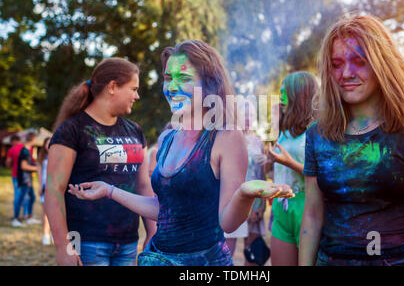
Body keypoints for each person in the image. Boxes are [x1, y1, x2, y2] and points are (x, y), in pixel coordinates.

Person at [68, 40, 294, 266]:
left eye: (184, 78)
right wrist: (109, 190)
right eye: (168, 78)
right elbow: (164, 210)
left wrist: (245, 193)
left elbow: (228, 223)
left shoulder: (226, 137)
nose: (172, 87)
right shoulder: (168, 138)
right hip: (157, 259)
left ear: (210, 85)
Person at [299, 14, 404, 266]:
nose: (346, 73)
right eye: (336, 64)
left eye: (359, 61)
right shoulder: (317, 134)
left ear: (382, 64)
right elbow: (313, 216)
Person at [45, 57, 157, 266]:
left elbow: (143, 185)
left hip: (128, 242)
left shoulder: (135, 131)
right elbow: (54, 189)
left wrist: (152, 232)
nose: (137, 95)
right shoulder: (72, 130)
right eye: (133, 89)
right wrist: (63, 246)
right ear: (113, 87)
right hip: (87, 243)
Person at [266, 72, 318, 266]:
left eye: (284, 91)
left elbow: (324, 175)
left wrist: (289, 163)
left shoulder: (317, 130)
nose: (280, 95)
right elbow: (280, 163)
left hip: (306, 208)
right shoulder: (285, 130)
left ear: (299, 94)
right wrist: (269, 161)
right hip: (281, 208)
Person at [224, 102, 268, 266]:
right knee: (227, 255)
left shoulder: (258, 142)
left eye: (251, 115)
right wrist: (243, 209)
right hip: (233, 203)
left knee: (254, 256)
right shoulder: (228, 139)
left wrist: (261, 207)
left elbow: (261, 175)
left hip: (256, 203)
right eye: (245, 114)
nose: (248, 119)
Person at [16, 132, 40, 225]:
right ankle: (16, 219)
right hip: (24, 179)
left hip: (28, 179)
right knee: (21, 199)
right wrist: (37, 168)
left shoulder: (28, 150)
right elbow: (24, 166)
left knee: (32, 197)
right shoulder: (25, 151)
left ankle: (29, 217)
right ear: (33, 139)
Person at [6, 135, 30, 227]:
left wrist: (11, 164)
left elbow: (8, 163)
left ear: (13, 141)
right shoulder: (26, 149)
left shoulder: (11, 150)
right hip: (26, 176)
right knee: (26, 196)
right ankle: (25, 215)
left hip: (16, 175)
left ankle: (16, 217)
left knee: (17, 196)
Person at [37, 137, 52, 245]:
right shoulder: (42, 158)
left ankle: (53, 234)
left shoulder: (58, 156)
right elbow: (39, 173)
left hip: (55, 188)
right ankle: (45, 235)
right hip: (45, 187)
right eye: (47, 143)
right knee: (46, 213)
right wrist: (39, 186)